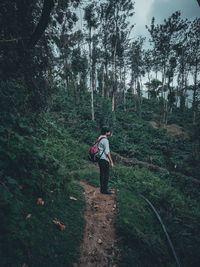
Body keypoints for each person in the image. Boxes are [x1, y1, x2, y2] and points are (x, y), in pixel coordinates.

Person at [98, 126, 114, 194]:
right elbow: (107, 152)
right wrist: (111, 161)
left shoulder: (100, 138)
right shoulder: (105, 140)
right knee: (106, 175)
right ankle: (105, 190)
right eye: (109, 131)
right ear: (106, 132)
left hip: (99, 158)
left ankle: (102, 188)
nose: (110, 132)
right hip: (104, 159)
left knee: (102, 174)